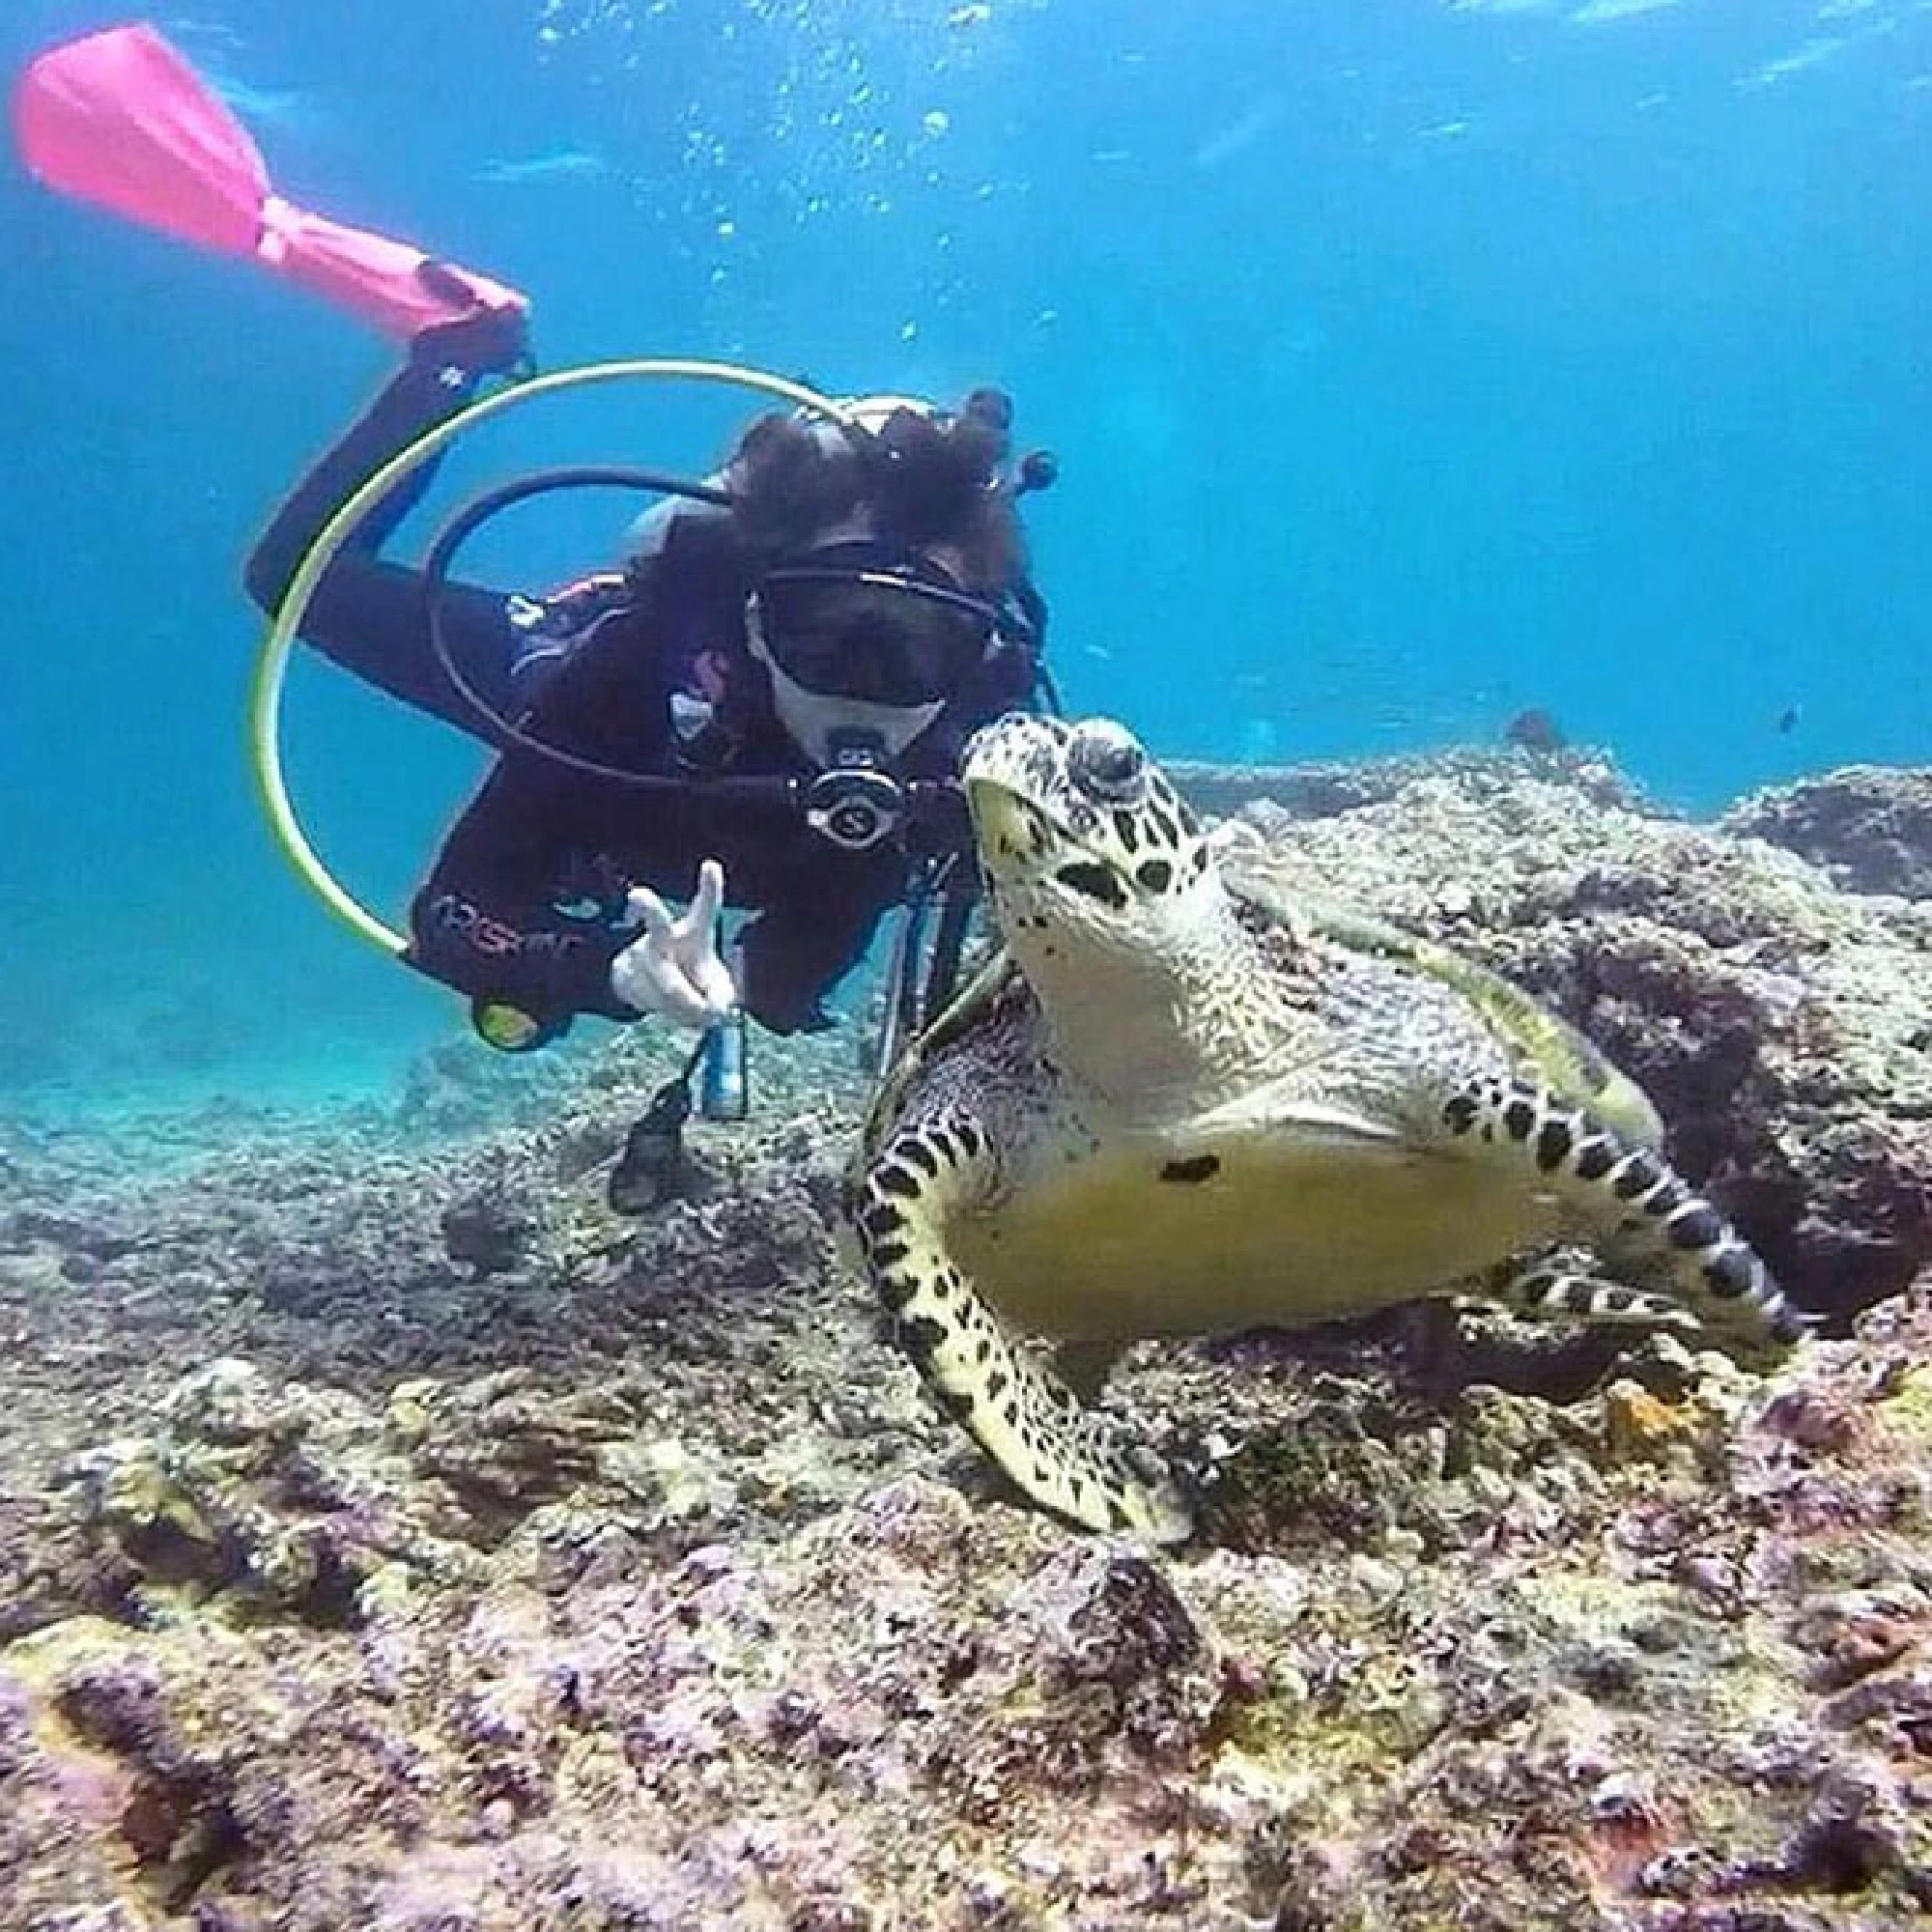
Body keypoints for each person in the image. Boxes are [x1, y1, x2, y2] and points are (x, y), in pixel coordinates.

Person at [243, 298, 1052, 1058]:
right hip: (589, 705)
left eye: (922, 646)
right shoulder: (632, 669)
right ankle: (450, 363)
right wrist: (608, 973)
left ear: (977, 645)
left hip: (742, 852)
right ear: (754, 612)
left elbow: (839, 923)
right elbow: (455, 912)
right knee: (295, 577)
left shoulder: (981, 740)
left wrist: (764, 983)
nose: (866, 687)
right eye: (827, 630)